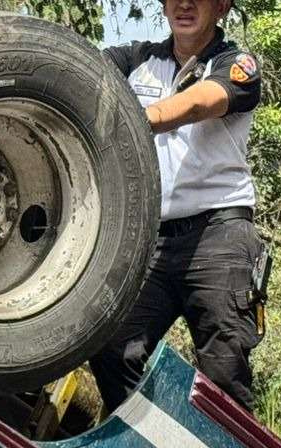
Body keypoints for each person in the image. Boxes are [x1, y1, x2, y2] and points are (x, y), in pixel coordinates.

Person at [92, 0, 265, 410]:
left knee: (224, 373)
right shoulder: (135, 59)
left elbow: (198, 103)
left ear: (221, 7)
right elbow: (76, 67)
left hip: (219, 237)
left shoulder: (236, 64)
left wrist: (135, 116)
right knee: (111, 345)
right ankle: (152, 447)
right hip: (153, 240)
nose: (184, 4)